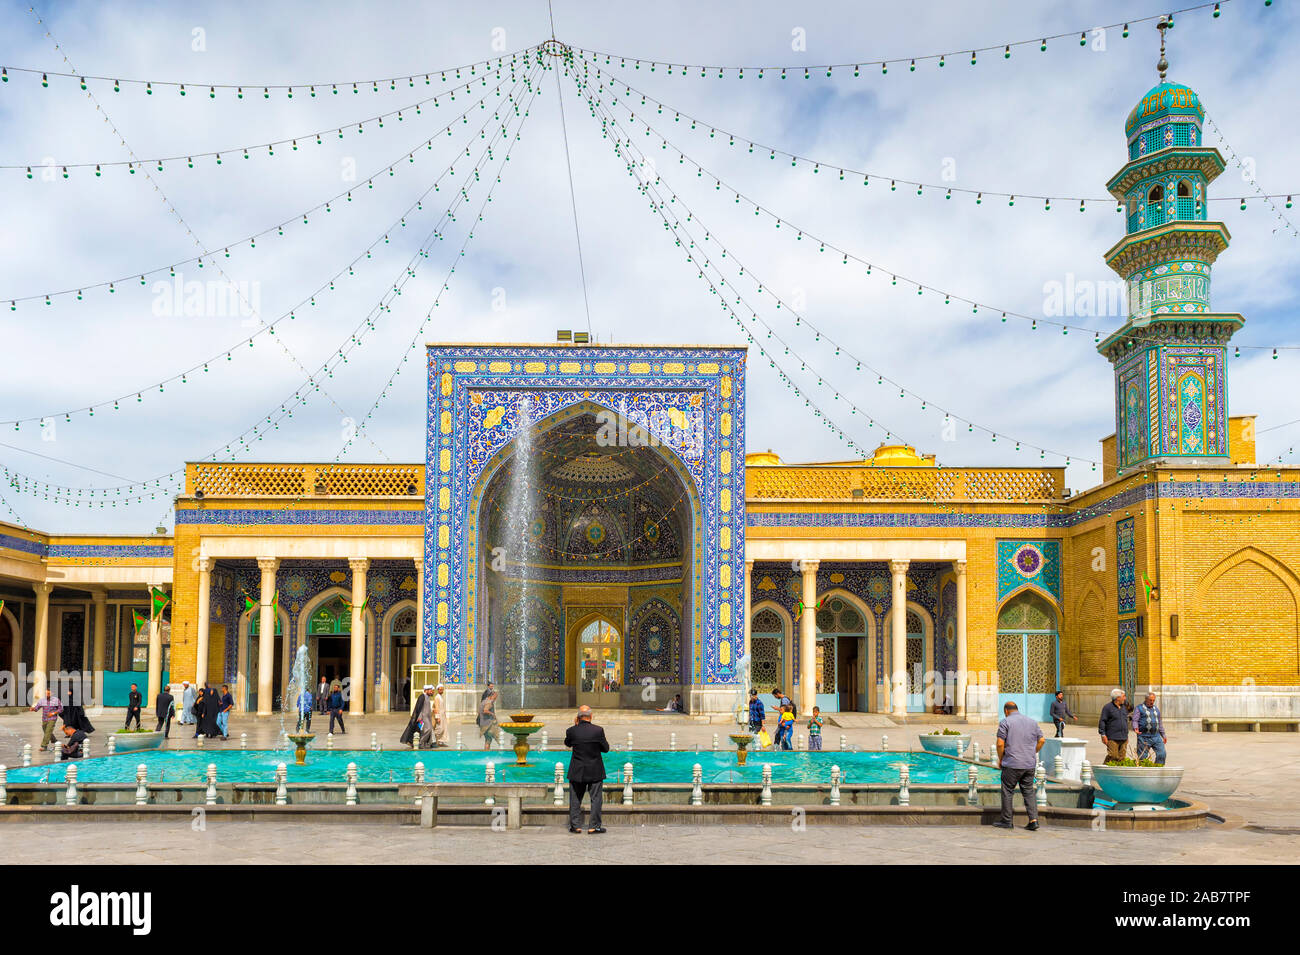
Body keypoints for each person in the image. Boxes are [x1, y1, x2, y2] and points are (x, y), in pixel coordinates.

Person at [994, 700, 1044, 831]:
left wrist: (1001, 758)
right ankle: (1033, 820)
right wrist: (1033, 752)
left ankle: (1007, 821)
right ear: (1017, 709)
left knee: (1007, 791)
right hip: (1029, 764)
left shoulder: (1005, 722)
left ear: (1006, 711)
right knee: (1028, 791)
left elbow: (1000, 744)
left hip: (1012, 763)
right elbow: (1042, 740)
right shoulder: (1032, 722)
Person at [565, 704, 610, 834]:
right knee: (596, 799)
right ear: (591, 716)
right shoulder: (598, 730)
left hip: (577, 769)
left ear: (578, 717)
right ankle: (594, 826)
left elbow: (568, 743)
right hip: (595, 769)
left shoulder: (572, 730)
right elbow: (606, 749)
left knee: (575, 799)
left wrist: (575, 726)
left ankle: (575, 826)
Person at [1132, 692, 1167, 766]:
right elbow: (1135, 720)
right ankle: (1143, 772)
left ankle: (1158, 768)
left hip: (1156, 736)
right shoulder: (1139, 708)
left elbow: (1159, 723)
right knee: (1142, 757)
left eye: (1153, 700)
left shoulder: (1156, 709)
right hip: (1144, 737)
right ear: (1146, 699)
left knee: (1162, 754)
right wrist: (1136, 728)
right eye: (1150, 700)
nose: (1152, 702)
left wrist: (1163, 735)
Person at [1098, 688, 1131, 764]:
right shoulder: (1107, 708)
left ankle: (1117, 774)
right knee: (1113, 755)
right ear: (1118, 698)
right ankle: (1104, 769)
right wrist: (1103, 735)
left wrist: (1126, 736)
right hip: (1112, 737)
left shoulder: (1124, 707)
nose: (1125, 698)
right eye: (1123, 696)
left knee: (1122, 758)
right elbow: (1102, 721)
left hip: (1123, 737)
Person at [400, 685, 435, 749]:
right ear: (426, 690)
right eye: (430, 690)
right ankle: (421, 743)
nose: (431, 692)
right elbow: (419, 708)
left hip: (427, 717)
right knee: (428, 729)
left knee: (423, 730)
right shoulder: (422, 697)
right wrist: (419, 716)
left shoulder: (427, 697)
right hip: (422, 718)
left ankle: (424, 743)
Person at [30, 688, 63, 752]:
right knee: (46, 731)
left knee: (48, 731)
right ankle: (54, 740)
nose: (47, 694)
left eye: (49, 693)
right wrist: (33, 709)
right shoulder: (42, 700)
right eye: (46, 693)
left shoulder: (56, 700)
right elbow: (37, 708)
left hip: (52, 718)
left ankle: (44, 746)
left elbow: (61, 709)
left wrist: (53, 713)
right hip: (44, 718)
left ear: (52, 693)